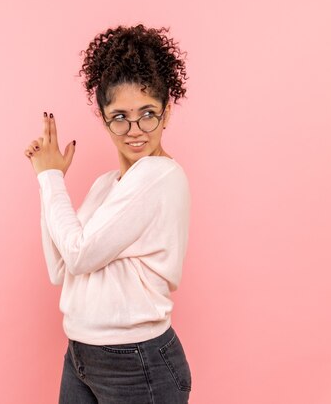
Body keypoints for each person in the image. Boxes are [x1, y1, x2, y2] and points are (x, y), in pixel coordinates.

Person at [25, 24, 192, 404]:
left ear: (166, 113)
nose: (135, 130)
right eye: (120, 116)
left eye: (148, 113)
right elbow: (61, 267)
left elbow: (80, 254)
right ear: (103, 119)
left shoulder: (160, 175)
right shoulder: (107, 185)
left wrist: (51, 179)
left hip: (136, 361)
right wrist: (48, 182)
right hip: (81, 354)